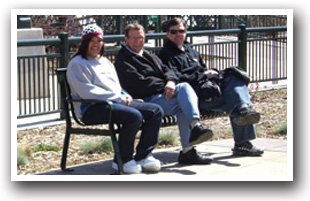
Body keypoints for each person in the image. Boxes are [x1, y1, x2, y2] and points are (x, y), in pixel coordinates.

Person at [66, 24, 164, 174]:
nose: (95, 45)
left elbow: (117, 87)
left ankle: (143, 156)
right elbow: (87, 92)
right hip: (90, 108)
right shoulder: (77, 63)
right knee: (133, 116)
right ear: (84, 43)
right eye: (91, 41)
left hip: (113, 102)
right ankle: (122, 161)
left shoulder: (104, 62)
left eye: (99, 41)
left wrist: (125, 96)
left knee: (155, 111)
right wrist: (118, 98)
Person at [158, 18, 264, 156]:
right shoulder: (165, 54)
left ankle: (244, 110)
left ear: (186, 32)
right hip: (195, 98)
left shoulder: (190, 50)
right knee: (235, 103)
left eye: (181, 31)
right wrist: (203, 75)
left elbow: (203, 69)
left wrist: (211, 73)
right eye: (174, 32)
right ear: (167, 33)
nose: (178, 34)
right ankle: (243, 138)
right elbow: (177, 79)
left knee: (233, 76)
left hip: (210, 91)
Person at [114, 23, 213, 165]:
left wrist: (171, 82)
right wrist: (164, 86)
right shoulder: (123, 59)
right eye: (134, 38)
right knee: (184, 89)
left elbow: (168, 71)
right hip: (144, 101)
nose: (138, 41)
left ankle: (188, 150)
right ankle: (194, 130)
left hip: (160, 96)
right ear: (126, 39)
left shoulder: (148, 54)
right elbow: (140, 84)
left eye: (141, 38)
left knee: (182, 103)